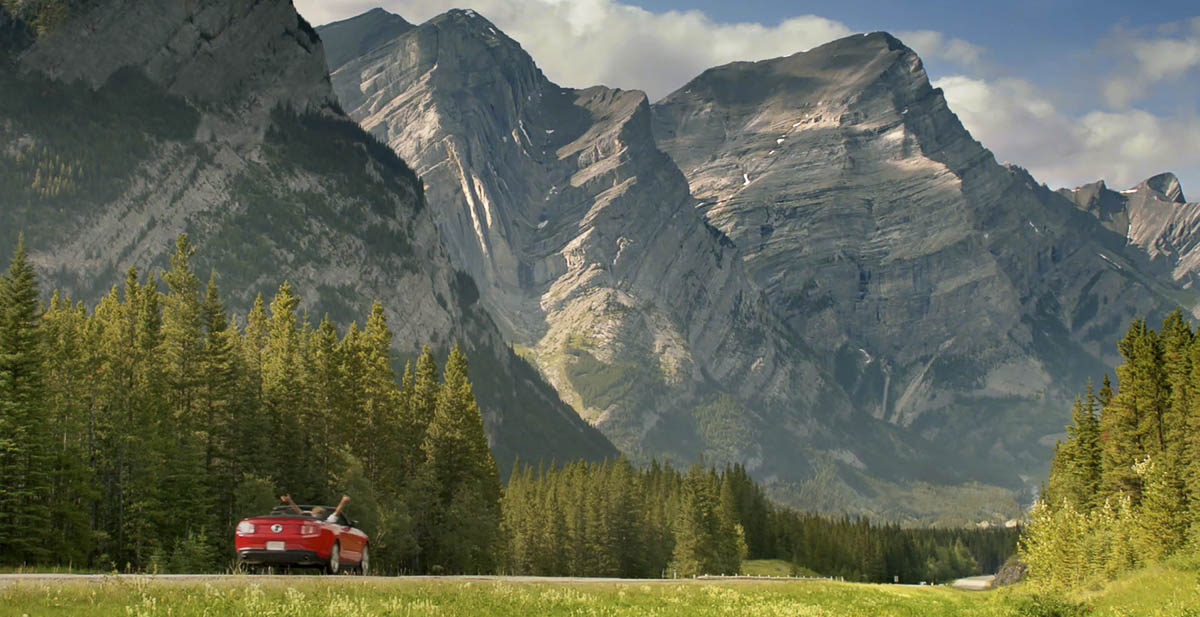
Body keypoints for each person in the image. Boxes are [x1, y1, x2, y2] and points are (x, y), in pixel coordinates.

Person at [280, 494, 351, 524]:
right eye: (317, 513)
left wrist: (343, 501)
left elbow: (337, 512)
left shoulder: (326, 523)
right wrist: (343, 501)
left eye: (319, 513)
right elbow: (337, 512)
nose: (318, 516)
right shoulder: (326, 522)